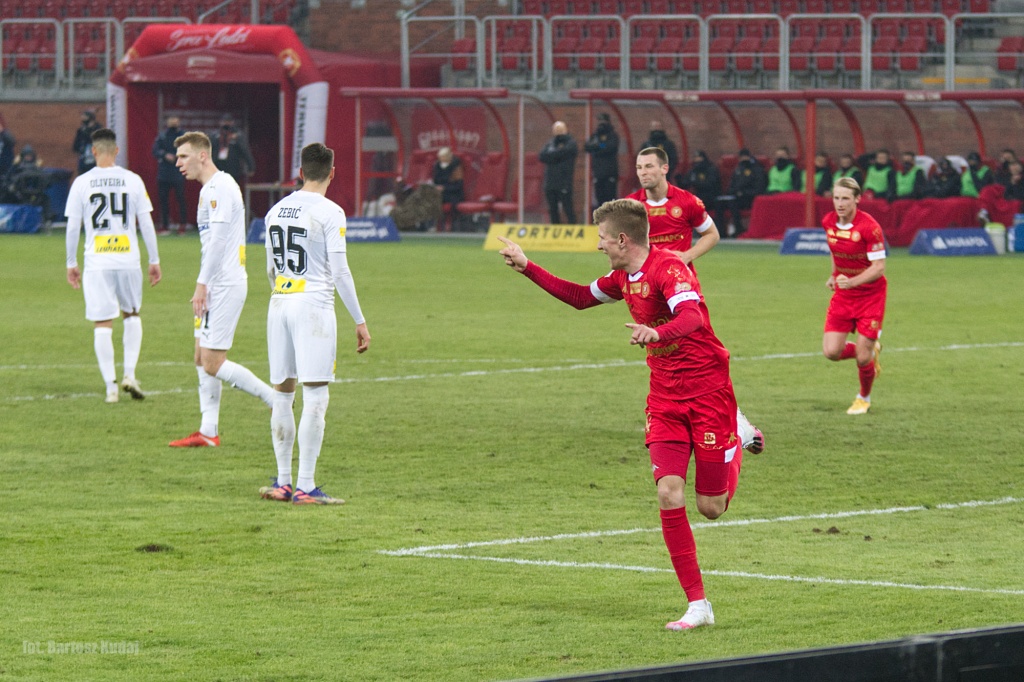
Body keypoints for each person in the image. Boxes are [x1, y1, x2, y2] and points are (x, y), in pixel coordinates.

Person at [497, 198, 758, 631]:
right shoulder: (623, 277)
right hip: (665, 399)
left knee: (711, 507)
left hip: (709, 392)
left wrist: (657, 331)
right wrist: (528, 266)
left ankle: (739, 435)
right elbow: (580, 297)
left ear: (622, 239)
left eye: (601, 238)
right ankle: (698, 605)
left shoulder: (669, 268)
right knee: (668, 493)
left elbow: (691, 317)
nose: (599, 245)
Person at [627, 147, 764, 455]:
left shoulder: (687, 202)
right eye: (638, 167)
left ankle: (734, 421)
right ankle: (672, 419)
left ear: (664, 169)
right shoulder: (632, 206)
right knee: (667, 362)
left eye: (648, 166)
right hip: (649, 297)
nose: (642, 172)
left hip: (683, 296)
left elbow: (712, 234)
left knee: (704, 358)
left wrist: (687, 256)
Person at [259, 142, 371, 505]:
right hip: (314, 306)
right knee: (316, 395)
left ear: (301, 172)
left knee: (282, 392)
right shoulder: (330, 211)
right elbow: (340, 271)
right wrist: (359, 319)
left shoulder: (275, 210)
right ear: (332, 173)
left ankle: (283, 482)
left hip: (279, 302)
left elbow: (270, 269)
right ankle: (306, 485)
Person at [170, 131, 275, 448]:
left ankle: (275, 399)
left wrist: (202, 284)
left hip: (224, 283)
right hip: (215, 281)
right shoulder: (210, 189)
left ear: (203, 155)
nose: (178, 164)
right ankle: (208, 430)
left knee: (213, 361)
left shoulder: (219, 188)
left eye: (183, 157)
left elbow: (217, 241)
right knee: (200, 357)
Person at [64, 128, 161, 403]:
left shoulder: (82, 183)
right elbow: (147, 223)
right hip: (128, 259)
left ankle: (111, 387)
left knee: (102, 322)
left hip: (97, 261)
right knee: (132, 314)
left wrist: (72, 262)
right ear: (116, 151)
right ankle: (130, 373)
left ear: (93, 151)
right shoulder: (132, 180)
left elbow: (73, 227)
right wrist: (154, 260)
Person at [821, 177, 885, 416]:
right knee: (831, 352)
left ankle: (863, 397)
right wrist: (834, 274)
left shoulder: (870, 227)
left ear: (857, 199)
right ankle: (869, 350)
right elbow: (834, 250)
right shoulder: (829, 221)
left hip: (870, 296)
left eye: (845, 198)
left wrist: (852, 281)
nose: (840, 204)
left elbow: (879, 267)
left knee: (862, 356)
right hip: (844, 295)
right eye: (836, 198)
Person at [151, 115, 188, 235]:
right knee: (163, 200)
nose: (173, 122)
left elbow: (189, 150)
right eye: (171, 120)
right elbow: (155, 150)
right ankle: (165, 226)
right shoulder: (162, 135)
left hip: (178, 171)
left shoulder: (183, 136)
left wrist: (178, 156)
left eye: (175, 120)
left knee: (180, 199)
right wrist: (165, 155)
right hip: (164, 173)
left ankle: (182, 225)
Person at [539, 121, 578, 224]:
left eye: (560, 129)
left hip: (564, 182)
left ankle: (573, 230)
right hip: (550, 182)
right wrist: (556, 155)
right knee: (552, 209)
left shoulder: (571, 143)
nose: (558, 132)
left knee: (567, 208)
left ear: (565, 130)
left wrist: (552, 155)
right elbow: (542, 156)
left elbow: (564, 153)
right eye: (556, 130)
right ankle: (555, 229)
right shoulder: (550, 143)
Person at [725, 148, 766, 237]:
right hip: (738, 197)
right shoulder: (738, 169)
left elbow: (759, 188)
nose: (743, 160)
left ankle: (740, 230)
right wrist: (734, 192)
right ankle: (723, 231)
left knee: (734, 203)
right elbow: (732, 185)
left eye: (745, 157)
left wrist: (744, 193)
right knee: (723, 203)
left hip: (751, 198)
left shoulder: (757, 169)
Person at [583, 113, 620, 207]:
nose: (601, 123)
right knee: (600, 198)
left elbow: (610, 147)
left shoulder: (613, 135)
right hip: (598, 172)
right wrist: (600, 146)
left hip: (610, 172)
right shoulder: (595, 135)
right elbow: (587, 147)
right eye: (599, 121)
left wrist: (599, 146)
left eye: (603, 121)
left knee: (610, 199)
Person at [209, 114, 255, 186]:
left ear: (232, 123)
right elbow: (209, 150)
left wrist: (251, 166)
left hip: (233, 168)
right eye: (224, 122)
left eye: (228, 122)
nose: (226, 124)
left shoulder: (238, 136)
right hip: (218, 166)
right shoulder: (215, 135)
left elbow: (245, 151)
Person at [431, 146, 464, 231]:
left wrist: (444, 188)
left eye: (443, 157)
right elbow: (435, 181)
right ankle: (431, 225)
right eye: (440, 157)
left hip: (454, 194)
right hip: (440, 194)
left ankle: (449, 226)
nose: (441, 159)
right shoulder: (437, 166)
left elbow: (458, 185)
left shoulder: (456, 167)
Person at [681, 150, 721, 218]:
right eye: (696, 159)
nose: (697, 161)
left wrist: (696, 183)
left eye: (699, 158)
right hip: (697, 196)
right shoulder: (693, 170)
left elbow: (711, 184)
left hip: (710, 197)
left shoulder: (711, 169)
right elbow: (685, 183)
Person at [73, 109, 101, 175]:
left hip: (94, 158)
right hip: (84, 158)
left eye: (85, 117)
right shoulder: (81, 130)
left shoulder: (98, 129)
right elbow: (76, 145)